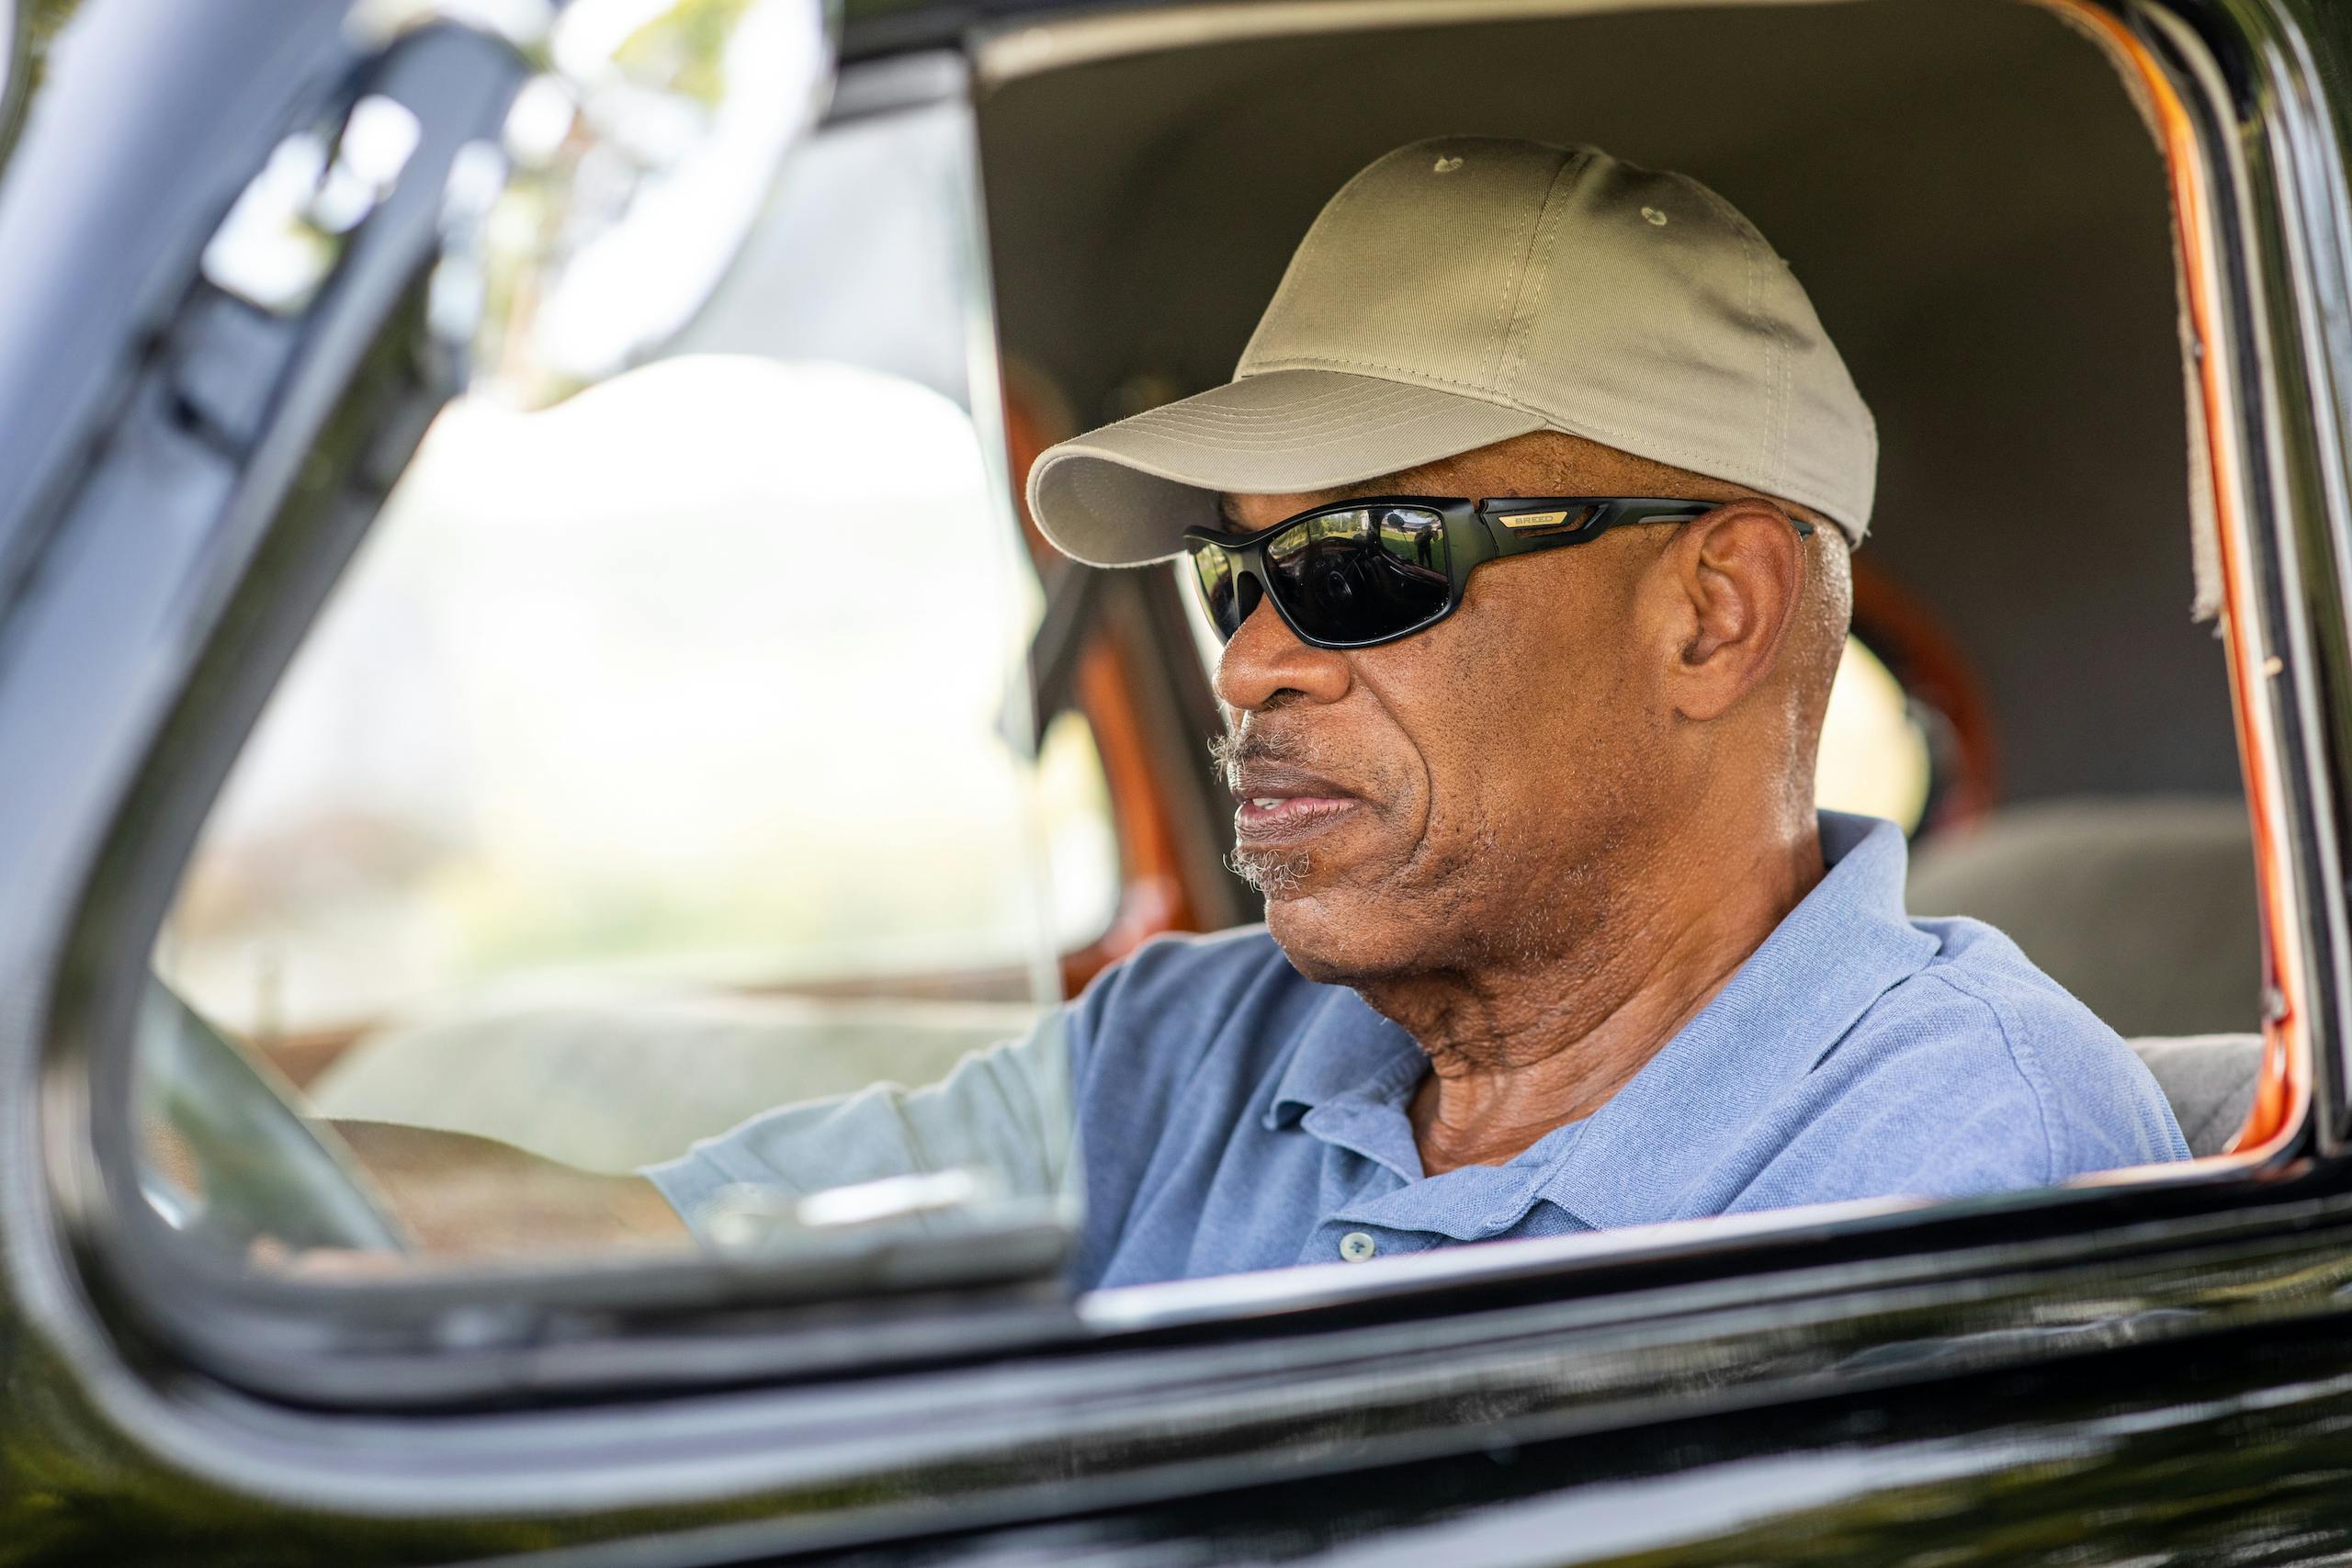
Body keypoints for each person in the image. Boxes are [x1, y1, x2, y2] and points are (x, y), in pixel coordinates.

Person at [321, 137, 2189, 1280]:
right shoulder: (1191, 1040)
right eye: (1234, 572)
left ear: (1713, 613)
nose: (1249, 660)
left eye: (1364, 560)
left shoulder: (1957, 1140)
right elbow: (656, 1261)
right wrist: (157, 1199)